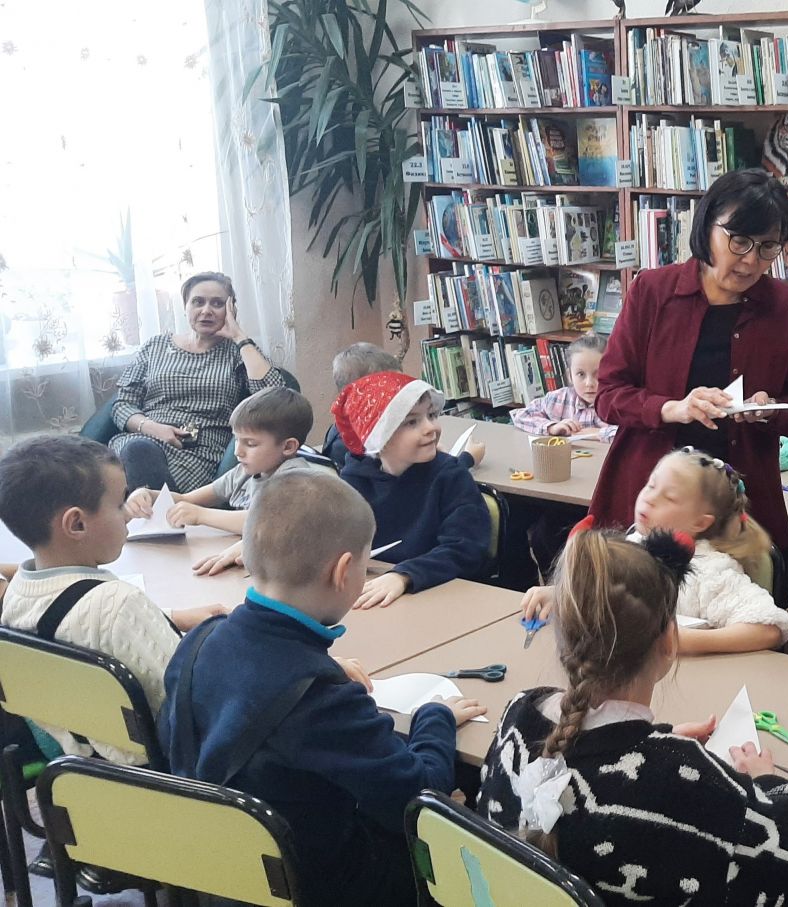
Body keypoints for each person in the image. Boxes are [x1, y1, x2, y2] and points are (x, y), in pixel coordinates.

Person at [158, 470, 486, 906]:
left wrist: (318, 667)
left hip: (218, 870)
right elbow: (417, 796)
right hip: (314, 885)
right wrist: (435, 717)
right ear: (344, 571)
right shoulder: (321, 698)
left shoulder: (200, 639)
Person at [478, 528, 788, 902]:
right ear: (670, 641)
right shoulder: (687, 783)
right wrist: (767, 781)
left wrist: (658, 744)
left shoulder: (517, 717)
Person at [589, 169, 788, 546]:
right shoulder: (653, 292)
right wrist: (672, 408)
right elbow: (608, 395)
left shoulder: (786, 309)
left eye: (768, 247)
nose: (751, 261)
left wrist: (769, 410)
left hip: (740, 504)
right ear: (707, 225)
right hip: (652, 497)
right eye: (739, 241)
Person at [0, 435, 225, 764]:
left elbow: (73, 624)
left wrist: (169, 616)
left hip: (75, 758)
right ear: (76, 524)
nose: (128, 515)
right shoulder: (119, 604)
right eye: (119, 504)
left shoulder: (17, 588)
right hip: (151, 769)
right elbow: (190, 705)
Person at [521, 447, 788, 654]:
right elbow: (607, 597)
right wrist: (564, 595)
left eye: (669, 497)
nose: (649, 498)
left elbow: (770, 628)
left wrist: (683, 642)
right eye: (650, 485)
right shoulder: (632, 542)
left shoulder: (711, 570)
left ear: (701, 522)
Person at [109, 271, 288, 493]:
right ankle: (160, 510)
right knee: (129, 455)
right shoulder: (155, 346)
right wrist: (152, 428)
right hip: (141, 439)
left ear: (230, 310)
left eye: (217, 303)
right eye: (198, 302)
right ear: (186, 307)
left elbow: (276, 398)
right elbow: (122, 404)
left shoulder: (237, 352)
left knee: (127, 481)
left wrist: (239, 336)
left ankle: (155, 509)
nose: (206, 311)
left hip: (197, 454)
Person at [333, 371, 491, 608]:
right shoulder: (353, 481)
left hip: (441, 598)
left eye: (431, 415)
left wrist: (404, 576)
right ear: (379, 436)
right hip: (371, 593)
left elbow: (466, 548)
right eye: (411, 422)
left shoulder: (450, 476)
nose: (430, 427)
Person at [123, 386, 318, 536]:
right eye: (237, 440)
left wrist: (201, 515)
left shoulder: (296, 478)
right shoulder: (242, 473)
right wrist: (148, 495)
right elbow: (187, 499)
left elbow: (266, 522)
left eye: (250, 444)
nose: (238, 452)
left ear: (288, 447)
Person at [323, 342, 485, 471]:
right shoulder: (361, 449)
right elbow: (415, 486)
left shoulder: (341, 431)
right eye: (392, 390)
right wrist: (467, 459)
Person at [510, 333, 617, 440]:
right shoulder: (558, 399)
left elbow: (627, 435)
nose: (589, 383)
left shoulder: (618, 402)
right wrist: (551, 427)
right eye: (581, 374)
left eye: (598, 374)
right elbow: (520, 416)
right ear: (570, 376)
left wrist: (601, 433)